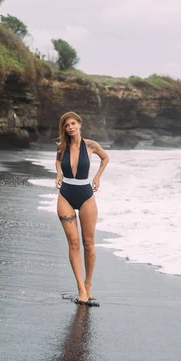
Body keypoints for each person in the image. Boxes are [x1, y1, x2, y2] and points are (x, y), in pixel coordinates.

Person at [55, 111, 109, 306]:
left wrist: (97, 177)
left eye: (72, 124)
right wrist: (59, 174)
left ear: (79, 124)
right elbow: (59, 160)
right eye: (66, 125)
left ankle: (88, 284)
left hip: (86, 195)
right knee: (74, 243)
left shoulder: (91, 145)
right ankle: (80, 289)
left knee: (88, 243)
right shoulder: (63, 146)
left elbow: (105, 158)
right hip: (66, 196)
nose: (70, 127)